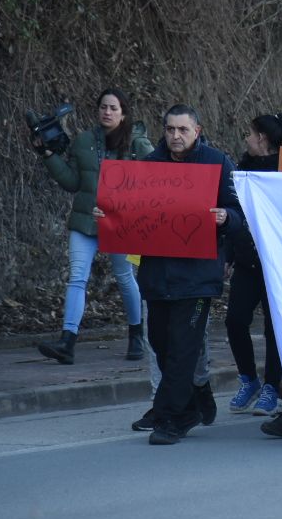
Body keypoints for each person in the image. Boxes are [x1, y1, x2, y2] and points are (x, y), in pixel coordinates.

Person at [99, 105, 242, 445]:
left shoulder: (217, 163)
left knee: (183, 347)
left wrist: (227, 217)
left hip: (197, 277)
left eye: (183, 130)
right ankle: (192, 400)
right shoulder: (147, 168)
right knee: (161, 344)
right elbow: (129, 216)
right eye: (170, 130)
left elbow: (241, 210)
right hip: (157, 274)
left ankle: (172, 417)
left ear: (197, 130)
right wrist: (105, 213)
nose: (176, 136)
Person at [32, 89, 153, 366]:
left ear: (124, 113)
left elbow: (151, 183)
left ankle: (136, 333)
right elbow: (73, 182)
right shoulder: (84, 141)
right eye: (103, 107)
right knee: (77, 277)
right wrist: (49, 156)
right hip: (86, 218)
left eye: (113, 108)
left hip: (122, 222)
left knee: (124, 277)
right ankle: (67, 340)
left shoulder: (137, 143)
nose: (107, 112)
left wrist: (123, 208)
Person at [226, 114, 282, 416]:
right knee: (235, 320)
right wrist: (228, 255)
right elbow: (233, 213)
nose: (247, 139)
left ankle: (271, 387)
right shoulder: (242, 167)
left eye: (249, 134)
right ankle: (248, 378)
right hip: (246, 260)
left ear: (262, 137)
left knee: (274, 327)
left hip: (276, 264)